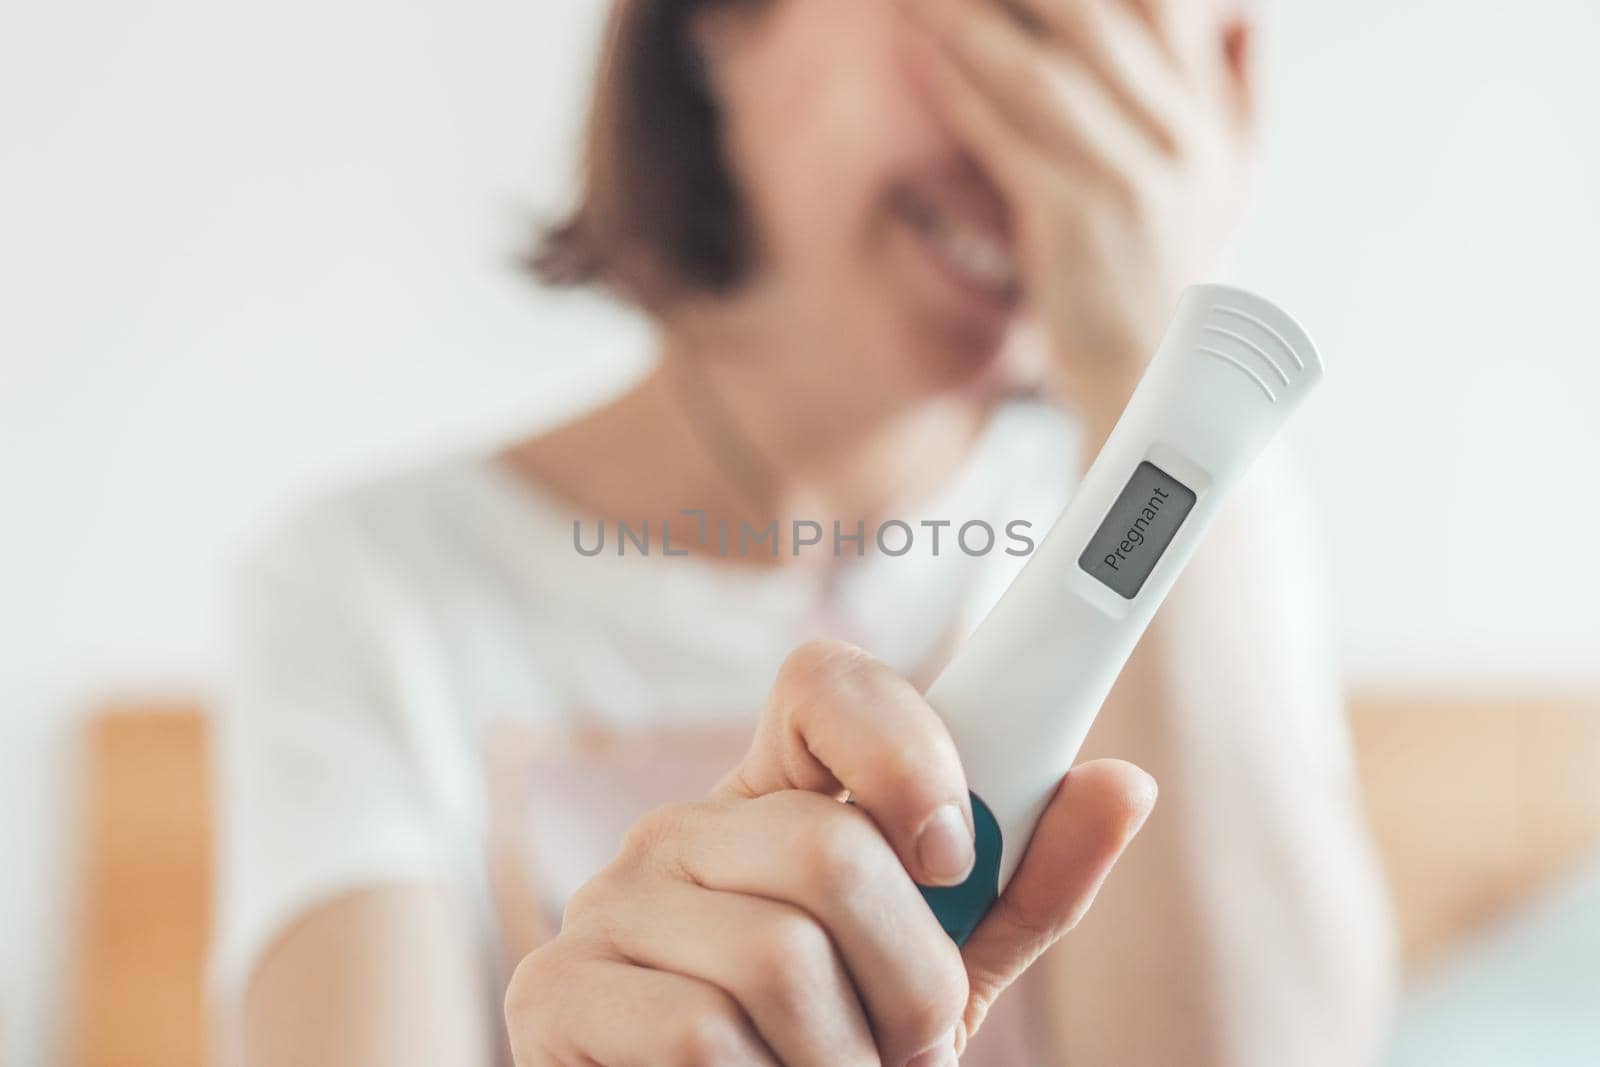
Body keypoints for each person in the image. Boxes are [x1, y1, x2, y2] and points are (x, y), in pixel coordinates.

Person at [211, 0, 1396, 1063]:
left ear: (1223, 91)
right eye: (1015, 24)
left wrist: (1147, 354)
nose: (1047, 151)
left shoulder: (1206, 531)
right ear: (715, 22)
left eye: (1124, 56)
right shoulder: (370, 589)